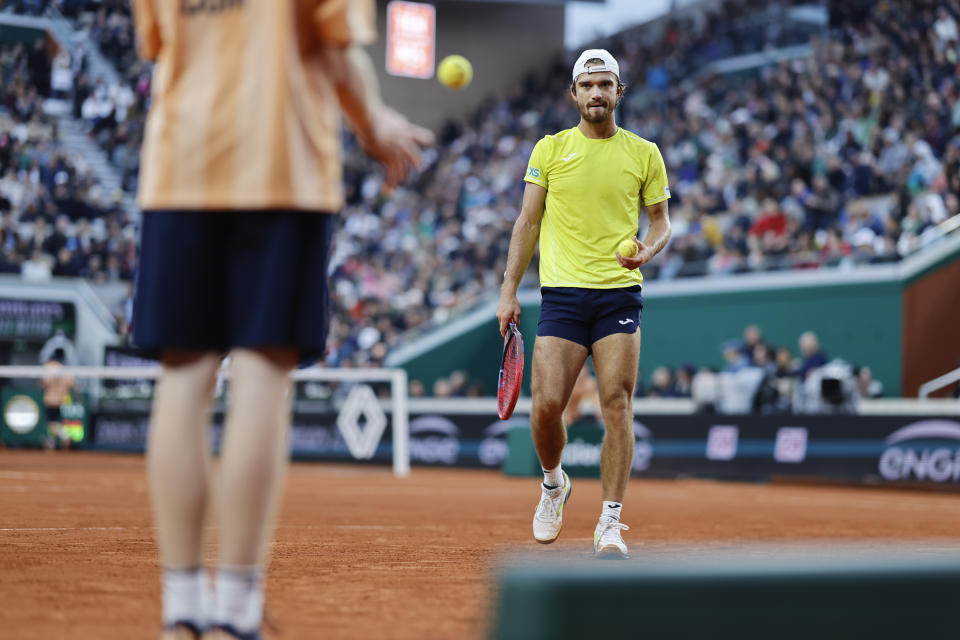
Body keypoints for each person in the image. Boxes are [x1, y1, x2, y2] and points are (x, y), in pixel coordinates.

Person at [129, 2, 433, 639]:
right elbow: (336, 47)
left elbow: (157, 45)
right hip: (282, 164)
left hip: (179, 166)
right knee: (263, 372)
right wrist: (372, 121)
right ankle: (236, 613)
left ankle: (182, 609)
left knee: (183, 374)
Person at [496, 49, 671, 559]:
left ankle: (610, 524)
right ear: (573, 94)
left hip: (619, 293)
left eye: (606, 84)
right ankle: (554, 484)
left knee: (617, 404)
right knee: (547, 407)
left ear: (620, 92)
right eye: (588, 85)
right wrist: (508, 288)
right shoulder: (548, 150)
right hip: (562, 296)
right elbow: (527, 223)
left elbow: (660, 222)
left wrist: (649, 248)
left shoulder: (645, 153)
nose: (597, 93)